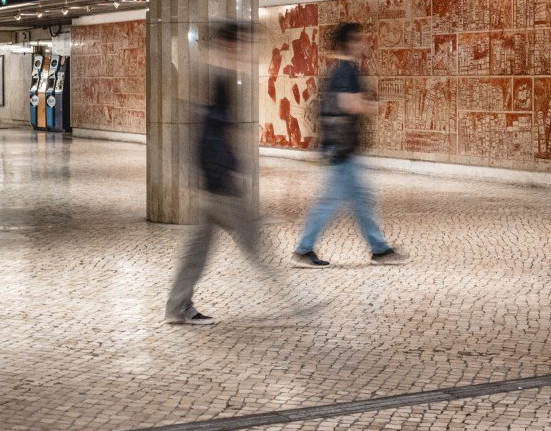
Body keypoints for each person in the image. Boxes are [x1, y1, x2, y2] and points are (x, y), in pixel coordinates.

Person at [165, 22, 266, 325]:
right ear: (230, 43)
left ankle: (178, 305)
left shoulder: (211, 74)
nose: (246, 49)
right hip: (219, 180)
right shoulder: (216, 77)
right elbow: (213, 130)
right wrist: (228, 167)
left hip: (211, 178)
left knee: (197, 248)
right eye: (242, 43)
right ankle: (299, 300)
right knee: (256, 242)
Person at [292, 22, 409, 268]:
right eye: (359, 40)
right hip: (344, 149)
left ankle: (379, 249)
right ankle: (304, 249)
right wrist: (371, 105)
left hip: (341, 147)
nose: (363, 44)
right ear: (348, 43)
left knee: (359, 199)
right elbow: (349, 104)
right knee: (332, 201)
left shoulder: (336, 70)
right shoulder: (347, 71)